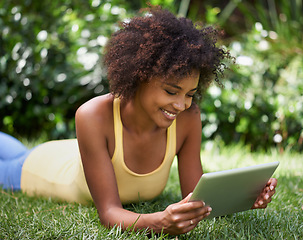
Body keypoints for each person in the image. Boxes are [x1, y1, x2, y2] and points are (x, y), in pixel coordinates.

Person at [0, 7, 277, 235]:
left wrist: (244, 197)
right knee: (14, 160)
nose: (181, 105)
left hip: (72, 154)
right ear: (140, 76)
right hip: (39, 169)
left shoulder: (188, 119)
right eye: (171, 91)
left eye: (190, 94)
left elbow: (197, 198)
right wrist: (159, 222)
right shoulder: (93, 115)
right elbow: (109, 213)